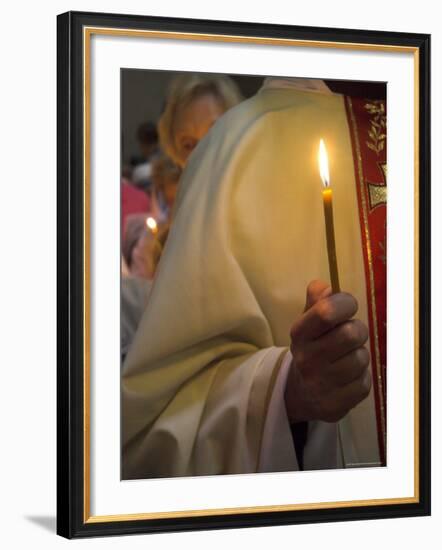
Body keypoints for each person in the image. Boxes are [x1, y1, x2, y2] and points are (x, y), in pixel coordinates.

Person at [122, 76, 386, 479]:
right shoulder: (235, 155)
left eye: (207, 132)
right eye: (188, 142)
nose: (196, 152)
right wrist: (289, 391)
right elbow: (150, 432)